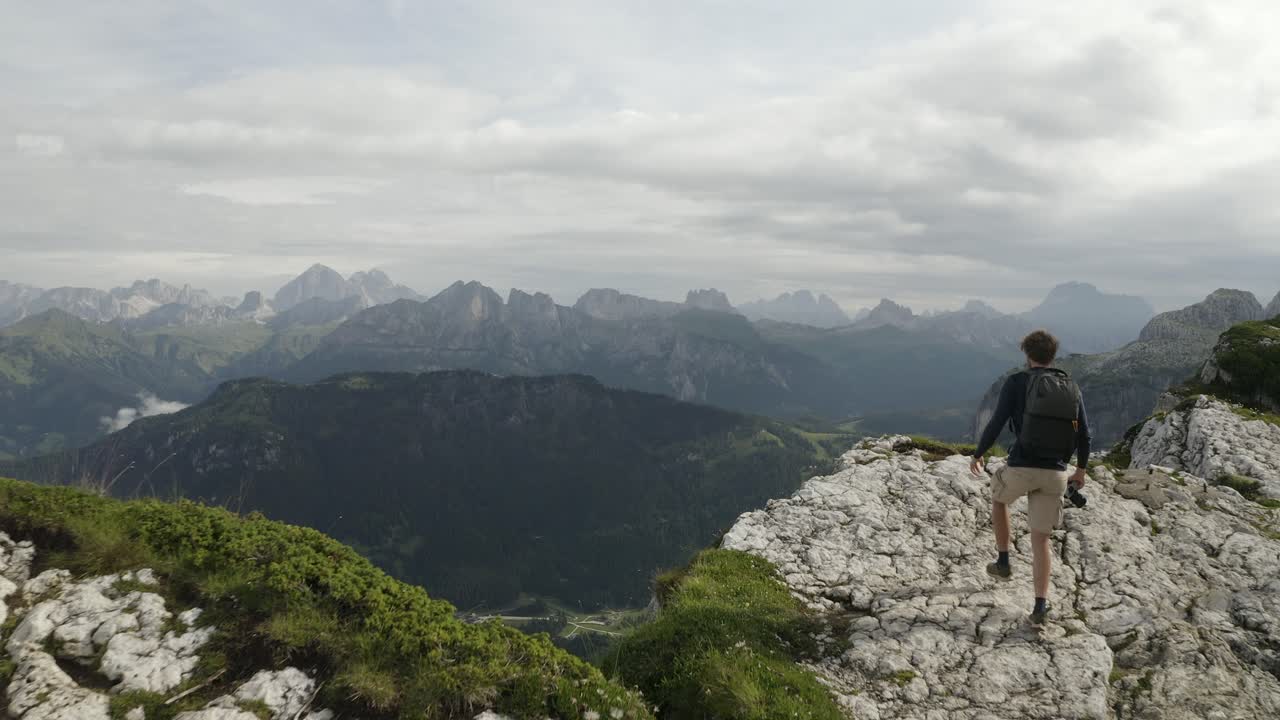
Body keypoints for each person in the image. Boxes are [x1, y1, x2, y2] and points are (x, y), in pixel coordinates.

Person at [970, 329, 1090, 625]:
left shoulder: (1017, 382)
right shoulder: (1071, 386)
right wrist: (1081, 470)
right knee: (1041, 541)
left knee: (999, 499)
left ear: (1027, 354)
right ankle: (1039, 606)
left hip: (1022, 466)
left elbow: (997, 421)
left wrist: (978, 453)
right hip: (1056, 474)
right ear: (1053, 356)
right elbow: (1085, 434)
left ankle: (1003, 561)